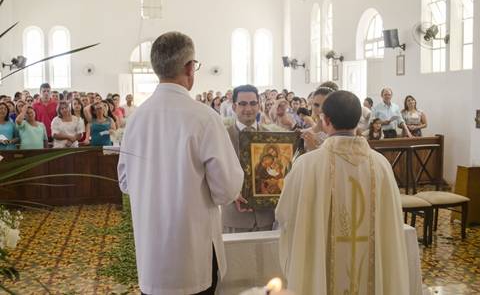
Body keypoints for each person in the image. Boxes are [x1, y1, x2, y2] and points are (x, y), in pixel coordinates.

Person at [117, 31, 244, 295]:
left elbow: (125, 182)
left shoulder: (136, 119)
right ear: (189, 68)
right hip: (192, 257)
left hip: (151, 256)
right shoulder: (204, 118)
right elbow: (227, 189)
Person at [276, 90, 409, 295]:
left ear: (326, 120)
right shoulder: (381, 164)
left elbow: (284, 215)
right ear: (358, 120)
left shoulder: (307, 164)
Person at [223, 84, 275, 233]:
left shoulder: (271, 137)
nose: (248, 108)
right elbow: (213, 173)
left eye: (253, 103)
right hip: (235, 217)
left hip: (266, 218)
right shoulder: (222, 137)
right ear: (234, 106)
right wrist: (232, 193)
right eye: (243, 104)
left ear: (259, 105)